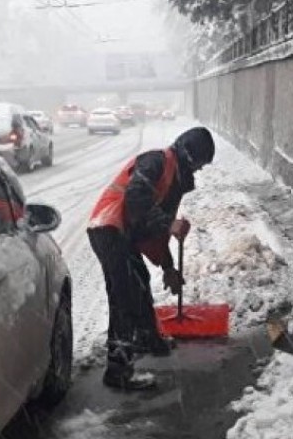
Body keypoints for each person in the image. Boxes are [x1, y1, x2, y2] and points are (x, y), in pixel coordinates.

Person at [87, 126, 216, 390]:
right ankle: (118, 371)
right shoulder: (156, 161)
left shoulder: (174, 181)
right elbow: (136, 199)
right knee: (124, 297)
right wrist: (169, 224)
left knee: (140, 282)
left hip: (123, 233)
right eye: (199, 164)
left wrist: (168, 268)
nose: (199, 170)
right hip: (108, 227)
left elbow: (153, 232)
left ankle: (148, 339)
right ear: (189, 156)